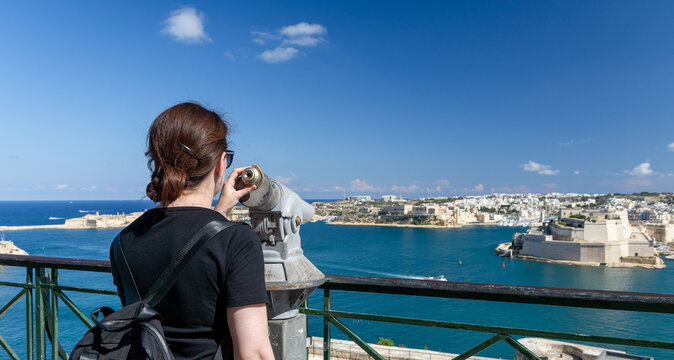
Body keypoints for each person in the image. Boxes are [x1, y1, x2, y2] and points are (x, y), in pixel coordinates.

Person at [110, 102, 275, 360]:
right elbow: (253, 353)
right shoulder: (237, 241)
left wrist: (219, 212)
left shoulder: (122, 242)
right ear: (221, 164)